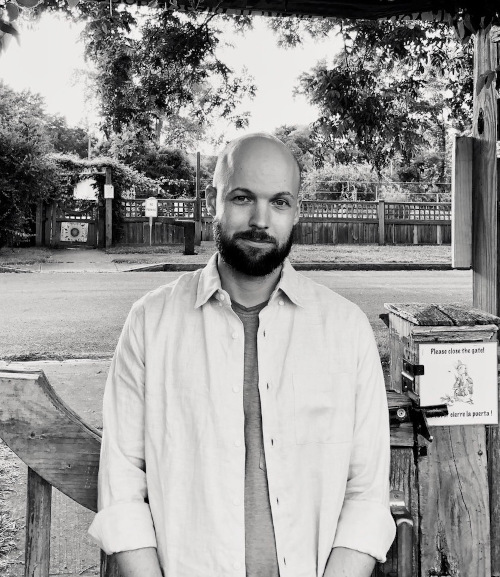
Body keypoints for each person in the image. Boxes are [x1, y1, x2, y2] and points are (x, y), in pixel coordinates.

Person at [89, 133, 396, 577]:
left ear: (296, 213)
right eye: (242, 197)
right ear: (212, 201)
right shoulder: (151, 324)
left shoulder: (345, 330)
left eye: (279, 202)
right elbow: (121, 486)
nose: (260, 219)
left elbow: (366, 493)